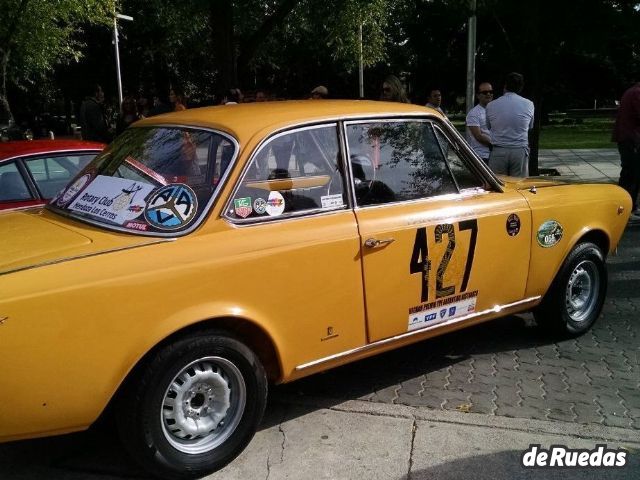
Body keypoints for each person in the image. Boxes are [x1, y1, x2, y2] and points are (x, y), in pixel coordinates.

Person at [485, 72, 534, 177]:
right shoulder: (529, 104)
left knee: (498, 186)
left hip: (498, 150)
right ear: (520, 87)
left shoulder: (491, 105)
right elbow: (529, 127)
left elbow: (489, 126)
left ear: (505, 86)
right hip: (519, 151)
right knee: (520, 187)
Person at [612, 82, 640, 218]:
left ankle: (630, 207)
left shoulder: (633, 91)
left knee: (632, 174)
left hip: (629, 138)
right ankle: (626, 209)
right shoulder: (637, 93)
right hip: (632, 139)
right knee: (632, 174)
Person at [465, 82, 494, 163]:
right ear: (478, 96)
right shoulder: (473, 113)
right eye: (485, 92)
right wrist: (496, 143)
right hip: (482, 156)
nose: (488, 94)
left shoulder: (495, 111)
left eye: (490, 92)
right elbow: (478, 136)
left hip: (495, 155)